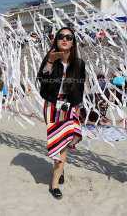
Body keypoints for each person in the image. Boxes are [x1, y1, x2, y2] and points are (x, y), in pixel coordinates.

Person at [37, 27, 86, 200]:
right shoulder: (50, 59)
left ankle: (54, 183)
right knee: (57, 142)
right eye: (61, 36)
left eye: (69, 37)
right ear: (56, 40)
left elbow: (80, 87)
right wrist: (49, 62)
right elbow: (42, 82)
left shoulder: (79, 64)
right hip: (51, 106)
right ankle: (59, 173)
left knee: (64, 144)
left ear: (73, 42)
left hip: (70, 107)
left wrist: (79, 106)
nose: (65, 39)